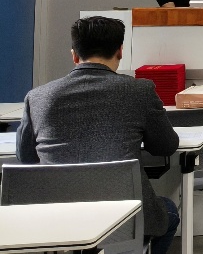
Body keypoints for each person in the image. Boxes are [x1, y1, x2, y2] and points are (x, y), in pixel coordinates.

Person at [17, 16, 181, 254]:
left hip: (58, 221)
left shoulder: (37, 97)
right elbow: (166, 146)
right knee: (169, 213)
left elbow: (26, 157)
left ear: (74, 55)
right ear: (120, 51)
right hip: (124, 219)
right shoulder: (140, 91)